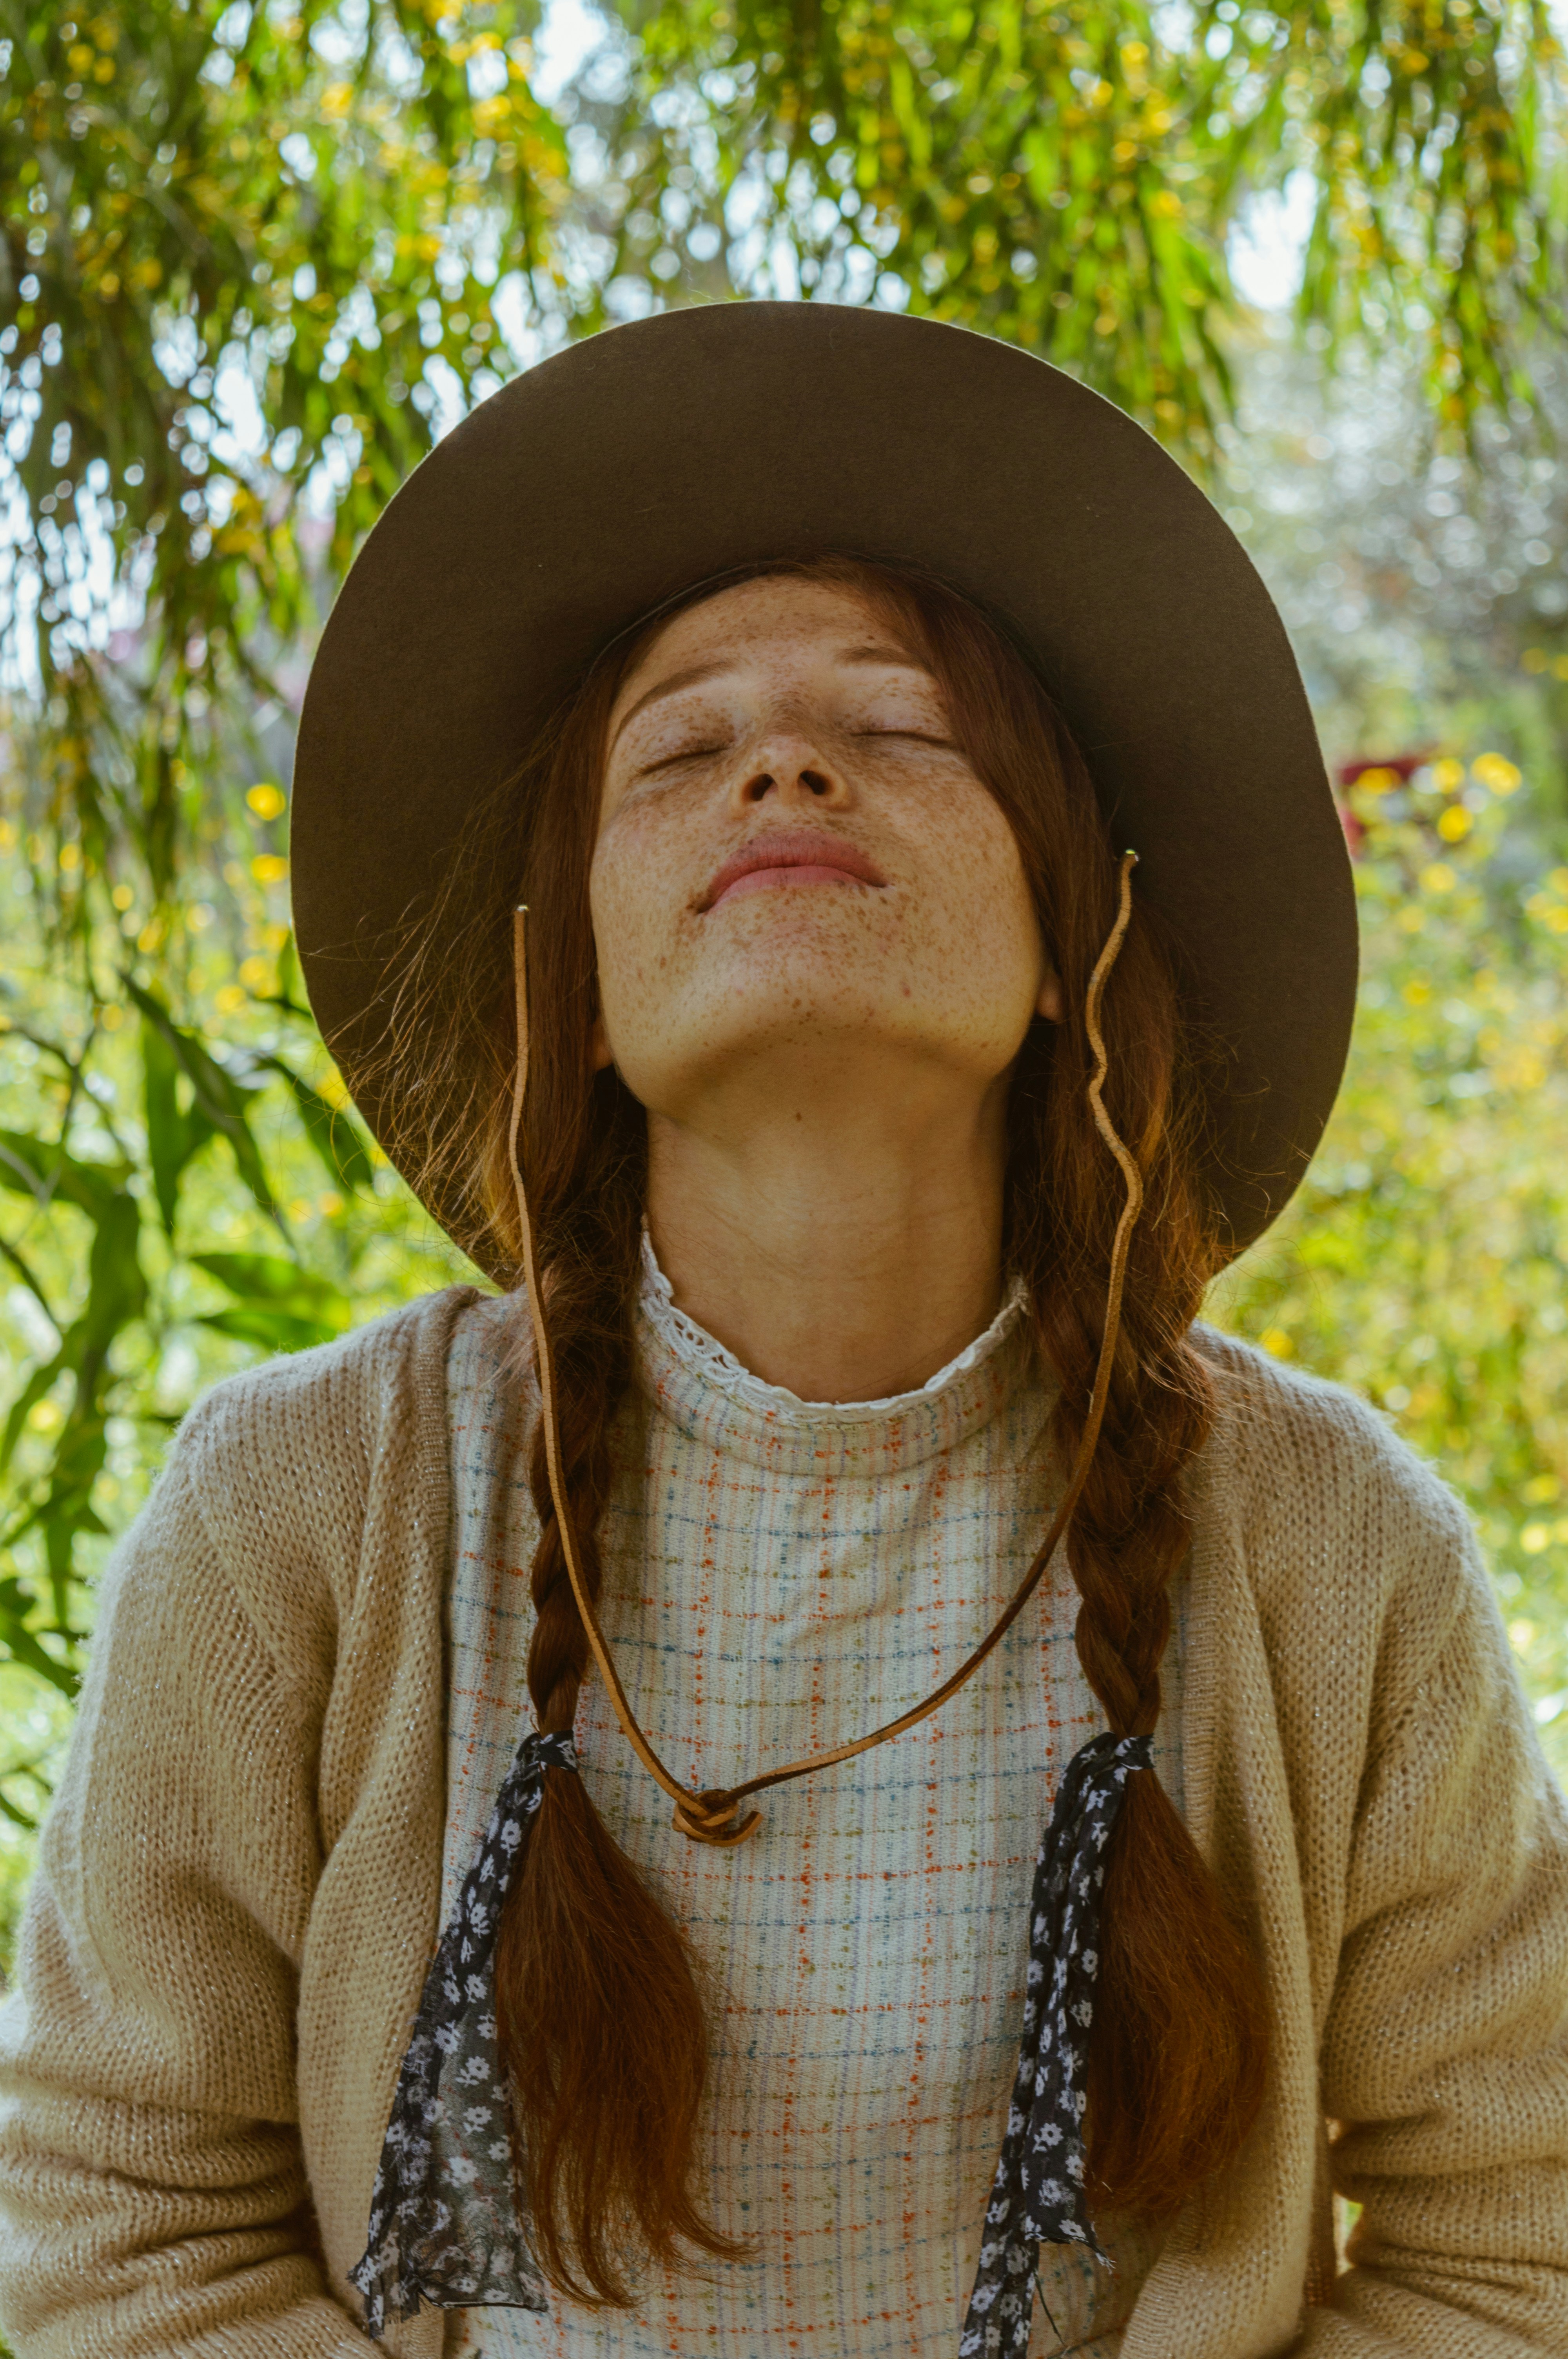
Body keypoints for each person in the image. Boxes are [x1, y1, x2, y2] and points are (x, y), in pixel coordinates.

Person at [0, 303, 1564, 2359]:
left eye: (904, 727)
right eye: (678, 746)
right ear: (578, 966)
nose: (785, 762)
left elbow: (1513, 2238)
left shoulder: (1328, 1554)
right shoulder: (309, 1511)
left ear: (1068, 938)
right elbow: (110, 2222)